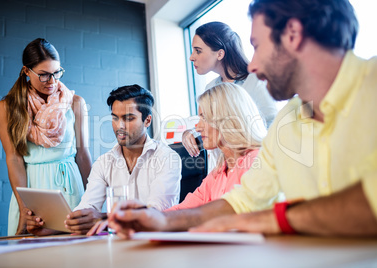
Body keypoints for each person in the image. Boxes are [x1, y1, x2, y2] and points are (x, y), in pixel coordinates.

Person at [104, 0, 377, 238]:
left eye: (257, 46)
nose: (253, 65)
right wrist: (160, 220)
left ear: (293, 35)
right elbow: (242, 201)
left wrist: (273, 220)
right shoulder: (286, 124)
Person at [26, 84, 182, 235]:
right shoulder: (104, 162)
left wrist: (103, 217)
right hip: (120, 246)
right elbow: (87, 207)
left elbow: (156, 213)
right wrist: (50, 227)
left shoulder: (167, 158)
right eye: (115, 118)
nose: (119, 126)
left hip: (158, 245)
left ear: (147, 121)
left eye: (128, 118)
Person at [0, 38, 92, 236]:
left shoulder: (75, 103)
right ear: (26, 72)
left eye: (57, 73)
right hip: (32, 190)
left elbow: (82, 155)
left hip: (70, 188)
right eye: (44, 75)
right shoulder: (8, 107)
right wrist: (24, 208)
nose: (52, 81)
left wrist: (93, 201)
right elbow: (14, 159)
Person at [182, 21, 277, 172]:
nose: (191, 57)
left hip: (253, 171)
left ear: (220, 53)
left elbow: (272, 127)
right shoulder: (211, 88)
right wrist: (192, 135)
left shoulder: (256, 81)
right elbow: (215, 128)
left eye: (198, 51)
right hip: (222, 172)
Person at [166, 83, 266, 211]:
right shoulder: (219, 171)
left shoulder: (254, 162)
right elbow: (185, 209)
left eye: (204, 118)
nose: (197, 127)